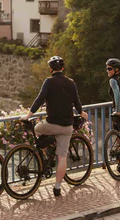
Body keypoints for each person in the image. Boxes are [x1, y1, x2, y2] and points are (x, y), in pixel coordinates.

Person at [21, 56, 88, 196]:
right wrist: (82, 113)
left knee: (37, 129)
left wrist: (28, 115)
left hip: (51, 124)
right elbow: (76, 101)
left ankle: (46, 152)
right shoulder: (71, 83)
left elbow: (39, 99)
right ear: (62, 69)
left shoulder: (49, 82)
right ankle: (57, 187)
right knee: (62, 157)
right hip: (67, 127)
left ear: (51, 69)